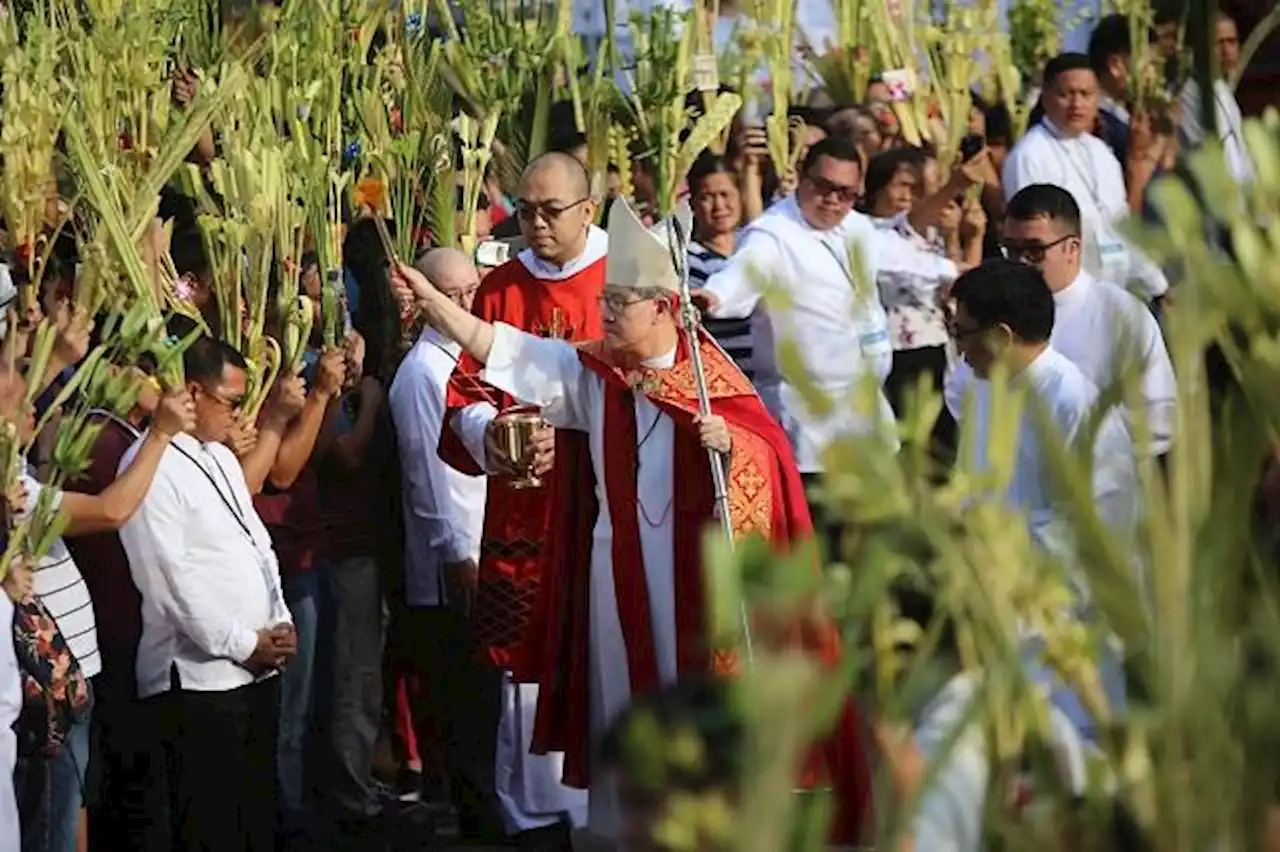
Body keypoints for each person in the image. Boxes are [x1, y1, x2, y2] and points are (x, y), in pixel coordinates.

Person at [390, 197, 870, 847]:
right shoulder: (596, 375)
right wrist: (431, 301)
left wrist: (732, 446)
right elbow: (500, 348)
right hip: (614, 580)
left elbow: (769, 460)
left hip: (695, 586)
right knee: (625, 711)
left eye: (618, 304)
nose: (605, 314)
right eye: (606, 301)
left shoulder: (712, 385)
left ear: (665, 308)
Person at [434, 150, 608, 841]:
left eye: (550, 211)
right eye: (524, 210)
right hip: (527, 511)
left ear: (587, 208)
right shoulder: (501, 288)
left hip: (605, 504)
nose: (534, 225)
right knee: (525, 681)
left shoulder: (625, 276)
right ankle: (537, 815)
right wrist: (498, 433)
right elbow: (462, 403)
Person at [696, 136, 984, 545]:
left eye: (846, 193)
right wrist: (714, 296)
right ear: (801, 179)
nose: (833, 200)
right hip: (809, 430)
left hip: (866, 418)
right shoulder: (772, 234)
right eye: (823, 187)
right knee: (827, 550)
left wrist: (952, 269)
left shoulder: (856, 227)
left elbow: (900, 258)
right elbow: (744, 272)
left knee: (876, 550)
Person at [118, 334, 297, 852]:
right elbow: (169, 581)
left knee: (256, 818)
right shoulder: (146, 462)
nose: (239, 416)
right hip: (196, 680)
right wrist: (243, 643)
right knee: (210, 824)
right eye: (232, 402)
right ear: (193, 392)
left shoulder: (216, 456)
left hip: (257, 666)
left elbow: (255, 541)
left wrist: (278, 619)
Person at [946, 185, 1175, 458]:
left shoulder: (1120, 314)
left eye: (1034, 250)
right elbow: (963, 396)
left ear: (1072, 247)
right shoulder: (994, 308)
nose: (1020, 263)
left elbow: (1156, 421)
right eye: (1010, 249)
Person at [1002, 52, 1169, 302]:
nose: (1077, 104)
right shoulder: (1030, 155)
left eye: (1086, 94)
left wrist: (1158, 285)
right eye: (1066, 94)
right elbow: (1032, 239)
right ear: (1045, 97)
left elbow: (1120, 226)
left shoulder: (1100, 151)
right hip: (1064, 298)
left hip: (1114, 293)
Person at [687, 152, 759, 380]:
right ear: (693, 204)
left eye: (725, 194)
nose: (719, 206)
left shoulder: (757, 245)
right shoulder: (688, 258)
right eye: (708, 197)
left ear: (741, 196)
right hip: (724, 382)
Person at [1179, 10, 1253, 184]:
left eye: (1232, 41)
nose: (1227, 50)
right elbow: (1206, 153)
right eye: (1219, 43)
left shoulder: (1224, 90)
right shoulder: (1192, 93)